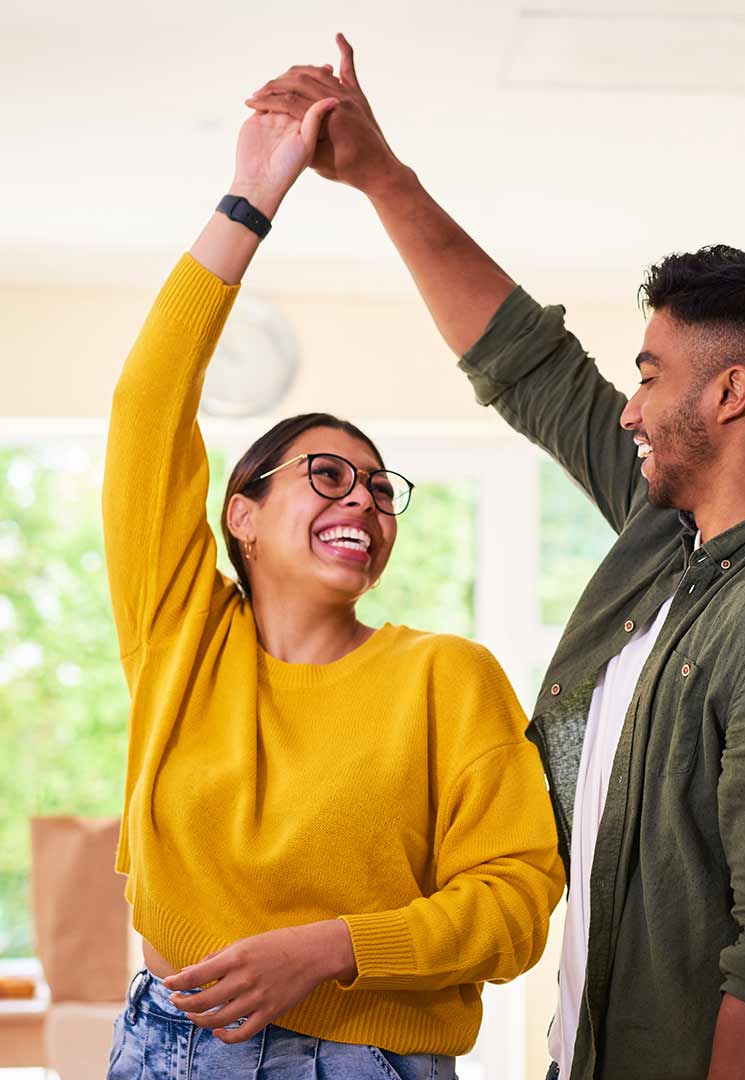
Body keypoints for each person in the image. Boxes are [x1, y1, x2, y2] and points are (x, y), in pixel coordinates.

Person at [247, 33, 745, 1080]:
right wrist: (379, 175)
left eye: (651, 375)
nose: (630, 406)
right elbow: (529, 366)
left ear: (730, 395)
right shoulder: (679, 533)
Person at [102, 90, 563, 1080]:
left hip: (365, 1063)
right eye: (326, 474)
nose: (363, 498)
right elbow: (147, 407)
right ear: (244, 514)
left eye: (378, 486)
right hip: (166, 1049)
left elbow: (519, 900)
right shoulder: (181, 635)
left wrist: (331, 947)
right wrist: (251, 194)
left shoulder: (446, 679)